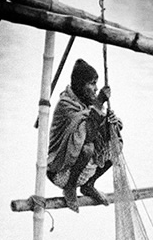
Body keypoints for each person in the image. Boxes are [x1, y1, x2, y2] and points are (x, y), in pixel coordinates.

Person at [47, 59, 123, 212]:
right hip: (60, 170)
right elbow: (85, 134)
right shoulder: (66, 105)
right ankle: (70, 189)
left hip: (80, 168)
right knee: (88, 148)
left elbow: (99, 128)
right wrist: (100, 102)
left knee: (116, 145)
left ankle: (88, 185)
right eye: (92, 84)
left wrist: (111, 122)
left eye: (96, 84)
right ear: (80, 85)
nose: (96, 89)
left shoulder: (89, 104)